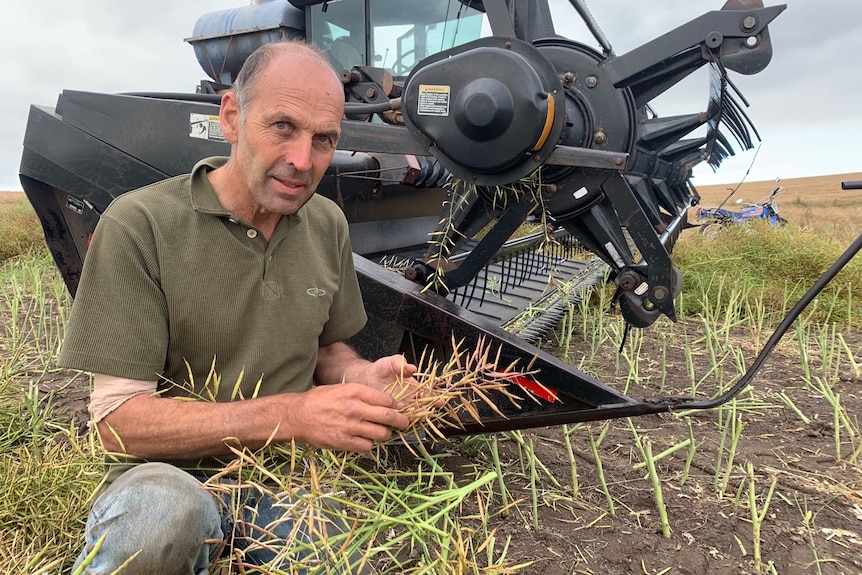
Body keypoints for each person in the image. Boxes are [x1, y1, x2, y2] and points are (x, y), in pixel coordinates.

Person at [59, 40, 420, 574]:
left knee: (342, 563)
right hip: (169, 472)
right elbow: (118, 423)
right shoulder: (140, 225)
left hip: (287, 479)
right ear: (231, 117)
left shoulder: (326, 225)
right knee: (160, 521)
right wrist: (291, 414)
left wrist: (361, 377)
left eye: (324, 140)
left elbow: (328, 350)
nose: (303, 160)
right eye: (282, 127)